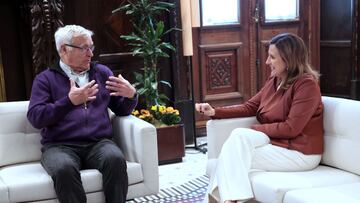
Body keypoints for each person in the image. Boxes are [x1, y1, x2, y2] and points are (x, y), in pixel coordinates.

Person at [195, 33, 323, 203]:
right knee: (233, 150)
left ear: (288, 59)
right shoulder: (275, 80)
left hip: (301, 153)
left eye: (272, 57)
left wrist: (254, 129)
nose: (267, 62)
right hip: (277, 144)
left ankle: (227, 200)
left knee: (231, 153)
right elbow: (250, 106)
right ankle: (229, 200)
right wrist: (215, 112)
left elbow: (291, 128)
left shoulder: (307, 85)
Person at [27, 25, 137, 203]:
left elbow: (121, 110)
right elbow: (36, 117)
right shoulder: (45, 79)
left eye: (91, 47)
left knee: (115, 159)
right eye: (85, 48)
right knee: (63, 169)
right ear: (63, 49)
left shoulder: (102, 73)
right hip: (59, 146)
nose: (91, 54)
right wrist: (69, 102)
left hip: (99, 143)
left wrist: (131, 95)